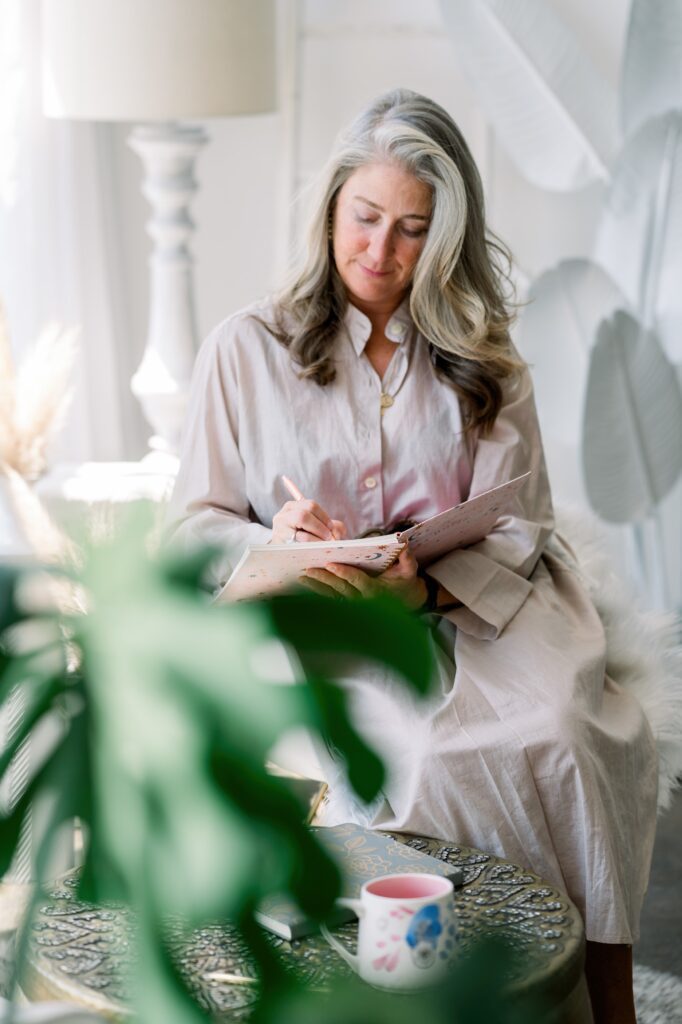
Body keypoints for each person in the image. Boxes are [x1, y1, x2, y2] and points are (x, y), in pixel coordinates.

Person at [167, 89, 657, 1023]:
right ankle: (436, 999)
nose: (380, 253)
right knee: (416, 754)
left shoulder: (482, 350)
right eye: (364, 219)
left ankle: (601, 1000)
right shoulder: (246, 348)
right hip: (320, 621)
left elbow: (521, 520)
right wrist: (275, 543)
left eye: (412, 230)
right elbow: (193, 526)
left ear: (445, 240)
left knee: (563, 731)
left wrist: (421, 580)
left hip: (482, 605)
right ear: (330, 209)